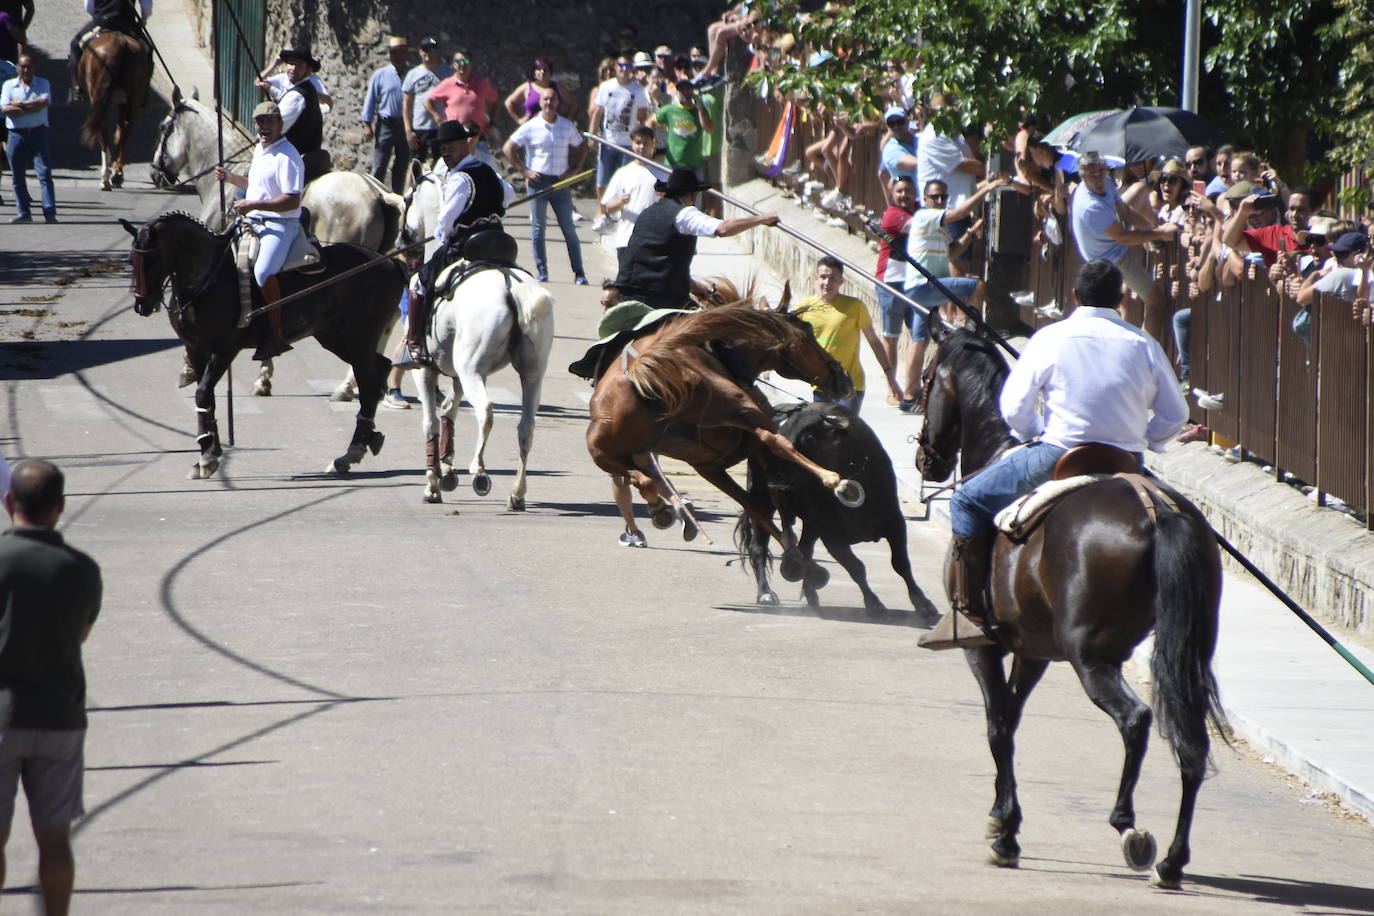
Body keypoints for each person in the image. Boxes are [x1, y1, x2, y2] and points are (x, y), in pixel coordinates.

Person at [919, 259, 1189, 649]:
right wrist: (1147, 439)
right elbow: (1176, 413)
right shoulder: (1143, 342)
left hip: (1057, 455)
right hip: (1126, 463)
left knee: (965, 499)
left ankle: (968, 614)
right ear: (1121, 299)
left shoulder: (1051, 337)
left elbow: (1013, 407)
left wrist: (1031, 433)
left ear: (1075, 296)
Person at [0, 460, 102, 916]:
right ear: (60, 507)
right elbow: (81, 634)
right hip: (60, 715)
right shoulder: (81, 568)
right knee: (55, 839)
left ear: (8, 503)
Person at [398, 119, 516, 368]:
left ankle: (415, 342)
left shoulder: (460, 179)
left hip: (467, 246)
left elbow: (444, 223)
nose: (446, 153)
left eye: (451, 147)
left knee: (418, 282)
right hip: (498, 241)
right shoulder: (489, 171)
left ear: (466, 145)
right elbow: (509, 195)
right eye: (443, 149)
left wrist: (440, 240)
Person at [899, 175, 1007, 404]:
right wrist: (986, 188)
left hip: (923, 290)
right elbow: (958, 214)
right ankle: (971, 329)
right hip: (924, 285)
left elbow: (953, 253)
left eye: (943, 197)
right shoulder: (925, 216)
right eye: (935, 196)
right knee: (977, 285)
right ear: (925, 199)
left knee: (919, 340)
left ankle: (909, 396)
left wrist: (971, 233)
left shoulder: (940, 228)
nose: (939, 200)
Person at [613, 165, 778, 311]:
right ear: (692, 196)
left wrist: (692, 286)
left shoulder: (648, 213)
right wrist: (762, 219)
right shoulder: (685, 214)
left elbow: (657, 262)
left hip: (627, 295)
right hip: (661, 299)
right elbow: (722, 228)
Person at [214, 100, 304, 360]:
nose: (264, 126)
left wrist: (254, 204)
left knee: (263, 271)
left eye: (270, 121)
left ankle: (276, 335)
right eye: (260, 121)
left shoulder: (288, 155)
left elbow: (292, 200)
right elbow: (255, 185)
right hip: (253, 220)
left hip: (281, 224)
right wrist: (231, 178)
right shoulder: (260, 150)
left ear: (279, 124)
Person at [1069, 149, 1178, 341]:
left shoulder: (1107, 183)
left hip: (1110, 247)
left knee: (1124, 303)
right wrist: (1161, 233)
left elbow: (1125, 211)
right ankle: (1144, 357)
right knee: (1156, 301)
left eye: (1101, 172)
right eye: (1092, 174)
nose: (1098, 178)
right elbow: (1124, 238)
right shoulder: (1091, 206)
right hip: (1110, 258)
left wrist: (1155, 227)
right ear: (1083, 176)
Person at [503, 86, 589, 284]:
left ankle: (579, 273)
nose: (549, 103)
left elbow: (581, 147)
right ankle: (542, 271)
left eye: (552, 99)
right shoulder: (530, 126)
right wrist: (523, 170)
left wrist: (575, 168)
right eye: (545, 100)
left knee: (568, 228)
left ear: (558, 103)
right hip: (537, 182)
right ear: (540, 103)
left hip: (560, 182)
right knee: (538, 229)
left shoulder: (566, 125)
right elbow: (509, 148)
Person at [794, 257, 902, 414]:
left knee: (845, 432)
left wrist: (890, 378)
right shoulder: (803, 308)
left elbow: (874, 342)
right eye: (823, 277)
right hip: (821, 384)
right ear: (816, 278)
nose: (827, 283)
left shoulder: (855, 306)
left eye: (833, 279)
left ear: (841, 281)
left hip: (850, 384)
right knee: (822, 435)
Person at [588, 55, 652, 231]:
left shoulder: (638, 91)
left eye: (627, 65)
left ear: (632, 68)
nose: (624, 69)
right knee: (602, 181)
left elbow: (642, 117)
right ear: (615, 68)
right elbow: (597, 112)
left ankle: (620, 214)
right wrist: (592, 135)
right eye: (621, 66)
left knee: (626, 182)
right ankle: (601, 213)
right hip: (608, 141)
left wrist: (641, 140)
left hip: (627, 143)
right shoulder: (606, 87)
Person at [256, 48, 330, 182]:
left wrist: (259, 136)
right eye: (291, 63)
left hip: (292, 157)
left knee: (246, 187)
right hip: (310, 154)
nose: (294, 69)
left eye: (300, 65)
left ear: (308, 70)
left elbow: (274, 132)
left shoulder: (297, 96)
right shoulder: (306, 89)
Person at [423, 50, 500, 167]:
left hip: (477, 139)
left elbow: (495, 100)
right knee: (455, 169)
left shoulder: (481, 83)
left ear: (471, 63)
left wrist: (492, 122)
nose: (462, 64)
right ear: (453, 64)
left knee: (485, 169)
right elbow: (427, 101)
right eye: (458, 61)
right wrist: (439, 119)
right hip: (455, 140)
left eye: (465, 60)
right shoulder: (448, 84)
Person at [2, 54, 54, 224]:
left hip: (38, 132)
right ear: (17, 68)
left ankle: (49, 212)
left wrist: (19, 104)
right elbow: (6, 109)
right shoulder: (9, 85)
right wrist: (31, 105)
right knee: (17, 176)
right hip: (16, 134)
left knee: (44, 173)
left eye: (29, 66)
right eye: (23, 66)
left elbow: (43, 103)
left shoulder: (43, 83)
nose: (26, 70)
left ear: (34, 68)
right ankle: (24, 212)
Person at [68, 0, 149, 102]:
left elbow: (88, 5)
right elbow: (146, 5)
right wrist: (143, 19)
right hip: (127, 23)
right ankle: (144, 89)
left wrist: (97, 14)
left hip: (103, 21)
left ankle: (77, 88)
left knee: (75, 45)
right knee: (147, 50)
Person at [599, 125, 660, 256]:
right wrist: (620, 202)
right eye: (638, 142)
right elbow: (607, 207)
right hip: (626, 240)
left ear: (653, 144)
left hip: (653, 242)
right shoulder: (623, 173)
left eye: (646, 143)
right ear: (632, 144)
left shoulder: (663, 173)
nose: (642, 147)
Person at [360, 37, 411, 193]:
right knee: (380, 163)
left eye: (400, 53)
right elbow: (371, 99)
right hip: (386, 125)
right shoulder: (380, 74)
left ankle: (397, 196)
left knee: (402, 164)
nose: (397, 56)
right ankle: (374, 195)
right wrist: (367, 124)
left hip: (405, 125)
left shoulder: (412, 74)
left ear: (406, 54)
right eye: (394, 53)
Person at [402, 37, 449, 170]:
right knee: (415, 163)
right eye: (425, 50)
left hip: (440, 127)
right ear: (420, 52)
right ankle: (410, 190)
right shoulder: (413, 74)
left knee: (442, 164)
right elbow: (406, 104)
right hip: (420, 127)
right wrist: (408, 130)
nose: (429, 53)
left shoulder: (447, 73)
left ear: (437, 52)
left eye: (432, 50)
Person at [653, 78, 713, 178]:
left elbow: (709, 128)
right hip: (672, 165)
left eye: (688, 89)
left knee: (695, 192)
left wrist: (700, 109)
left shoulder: (700, 111)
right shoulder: (669, 109)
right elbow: (651, 121)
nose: (685, 92)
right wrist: (652, 142)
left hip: (694, 165)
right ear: (677, 92)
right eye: (682, 90)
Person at [503, 58, 574, 124]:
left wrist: (566, 120)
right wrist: (518, 119)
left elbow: (572, 103)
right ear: (534, 73)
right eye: (539, 69)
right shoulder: (527, 87)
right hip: (532, 128)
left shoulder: (556, 88)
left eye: (546, 70)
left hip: (553, 127)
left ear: (550, 73)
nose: (542, 72)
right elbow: (509, 102)